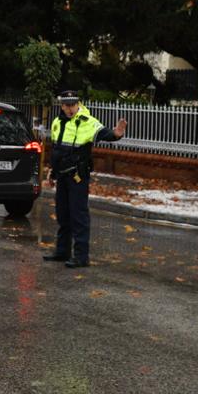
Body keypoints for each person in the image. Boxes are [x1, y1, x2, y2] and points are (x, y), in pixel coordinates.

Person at [43, 89, 127, 268]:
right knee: (62, 214)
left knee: (78, 215)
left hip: (78, 176)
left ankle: (81, 257)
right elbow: (57, 150)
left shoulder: (87, 121)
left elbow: (104, 133)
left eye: (73, 104)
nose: (70, 108)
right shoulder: (57, 122)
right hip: (63, 176)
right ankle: (62, 251)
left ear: (78, 103)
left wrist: (116, 134)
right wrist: (52, 171)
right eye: (67, 105)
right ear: (62, 105)